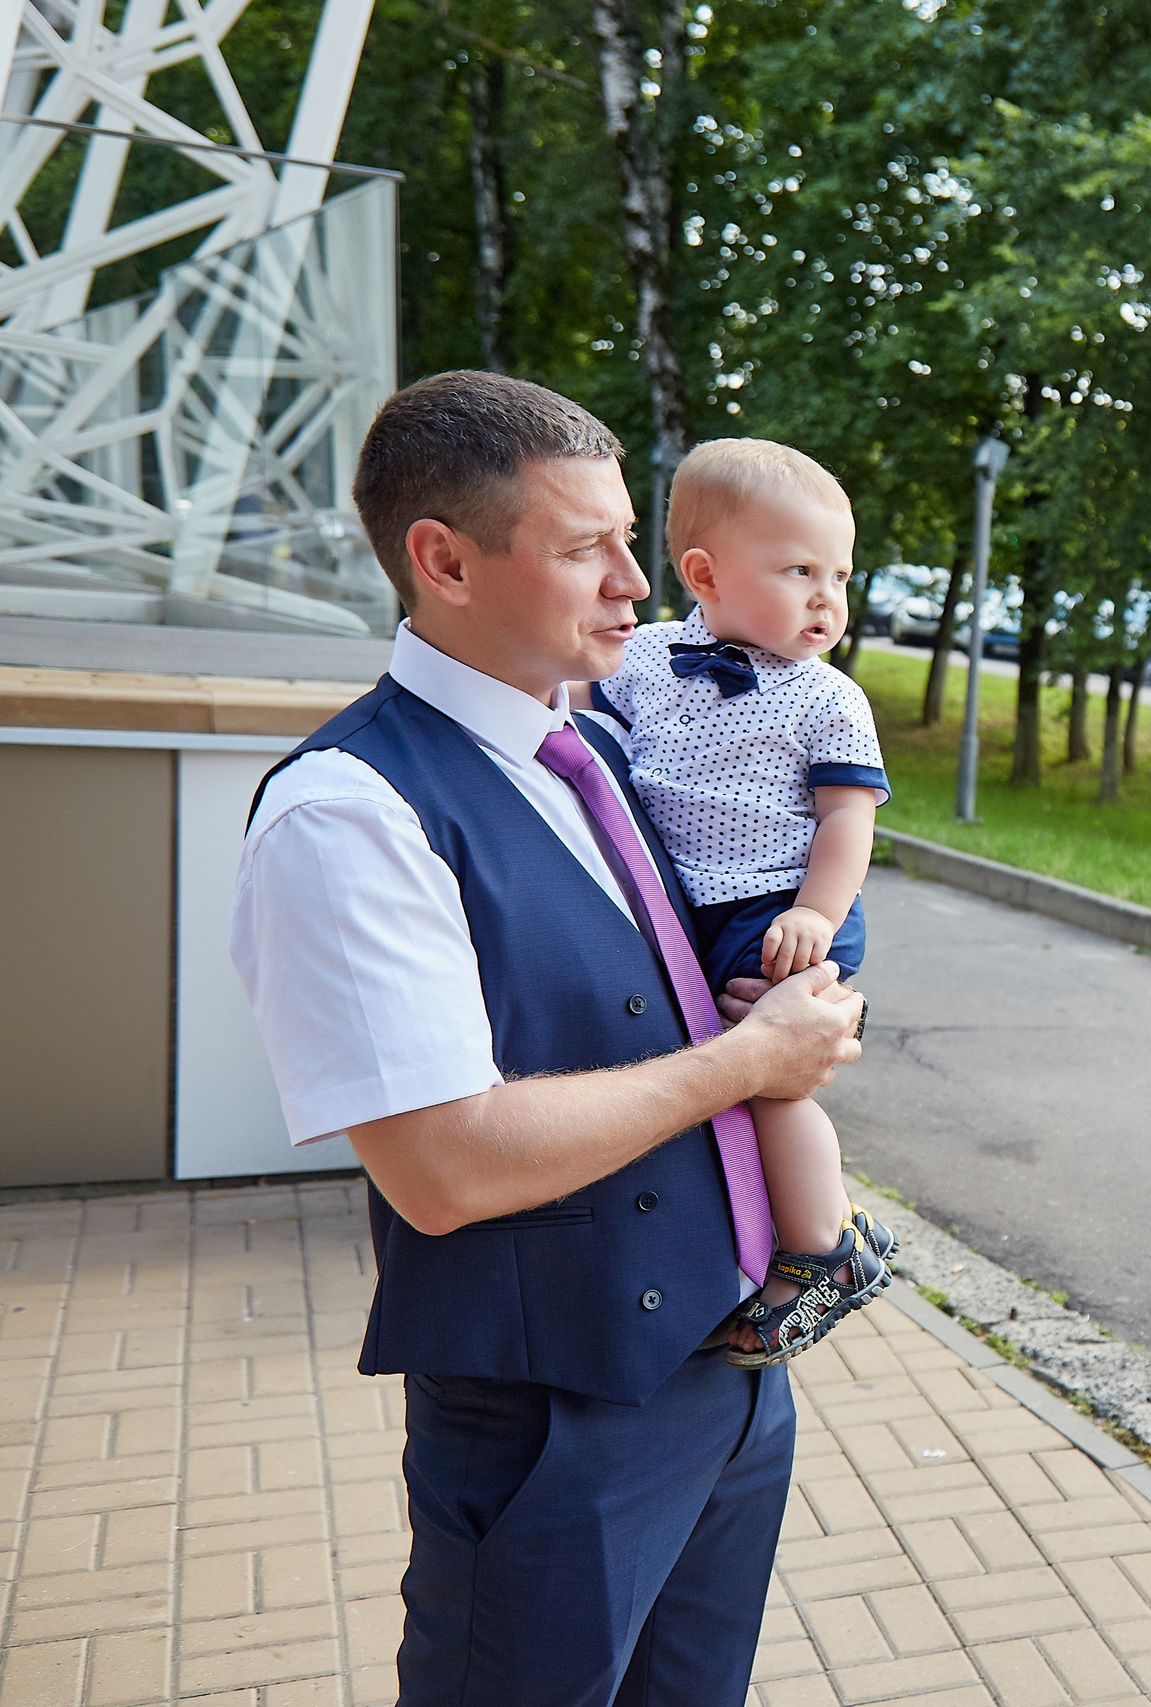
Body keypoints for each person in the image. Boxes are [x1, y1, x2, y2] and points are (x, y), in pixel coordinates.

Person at [229, 371, 868, 1705]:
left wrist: (775, 999)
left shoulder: (600, 748)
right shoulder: (349, 810)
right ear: (444, 559)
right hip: (555, 1427)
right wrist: (751, 1064)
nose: (638, 583)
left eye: (631, 539)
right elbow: (444, 1164)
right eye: (588, 547)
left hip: (729, 1377)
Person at [586, 438, 894, 1365]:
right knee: (710, 1065)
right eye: (799, 569)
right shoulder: (641, 656)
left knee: (766, 1072)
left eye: (838, 573)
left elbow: (847, 820)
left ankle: (823, 1247)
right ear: (704, 573)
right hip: (685, 906)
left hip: (780, 911)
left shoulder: (827, 699)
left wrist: (817, 913)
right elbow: (565, 703)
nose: (826, 597)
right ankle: (746, 1227)